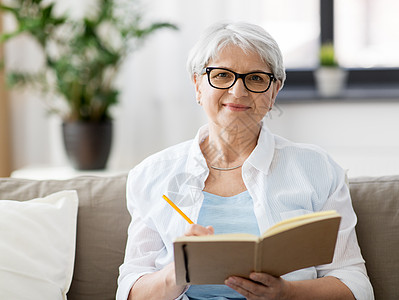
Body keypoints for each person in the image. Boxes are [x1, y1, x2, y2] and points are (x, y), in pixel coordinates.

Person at [116, 22, 374, 300]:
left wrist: (287, 293)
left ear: (274, 91)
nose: (238, 91)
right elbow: (129, 292)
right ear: (197, 85)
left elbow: (356, 286)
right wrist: (175, 273)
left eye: (255, 78)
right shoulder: (152, 175)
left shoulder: (317, 169)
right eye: (223, 75)